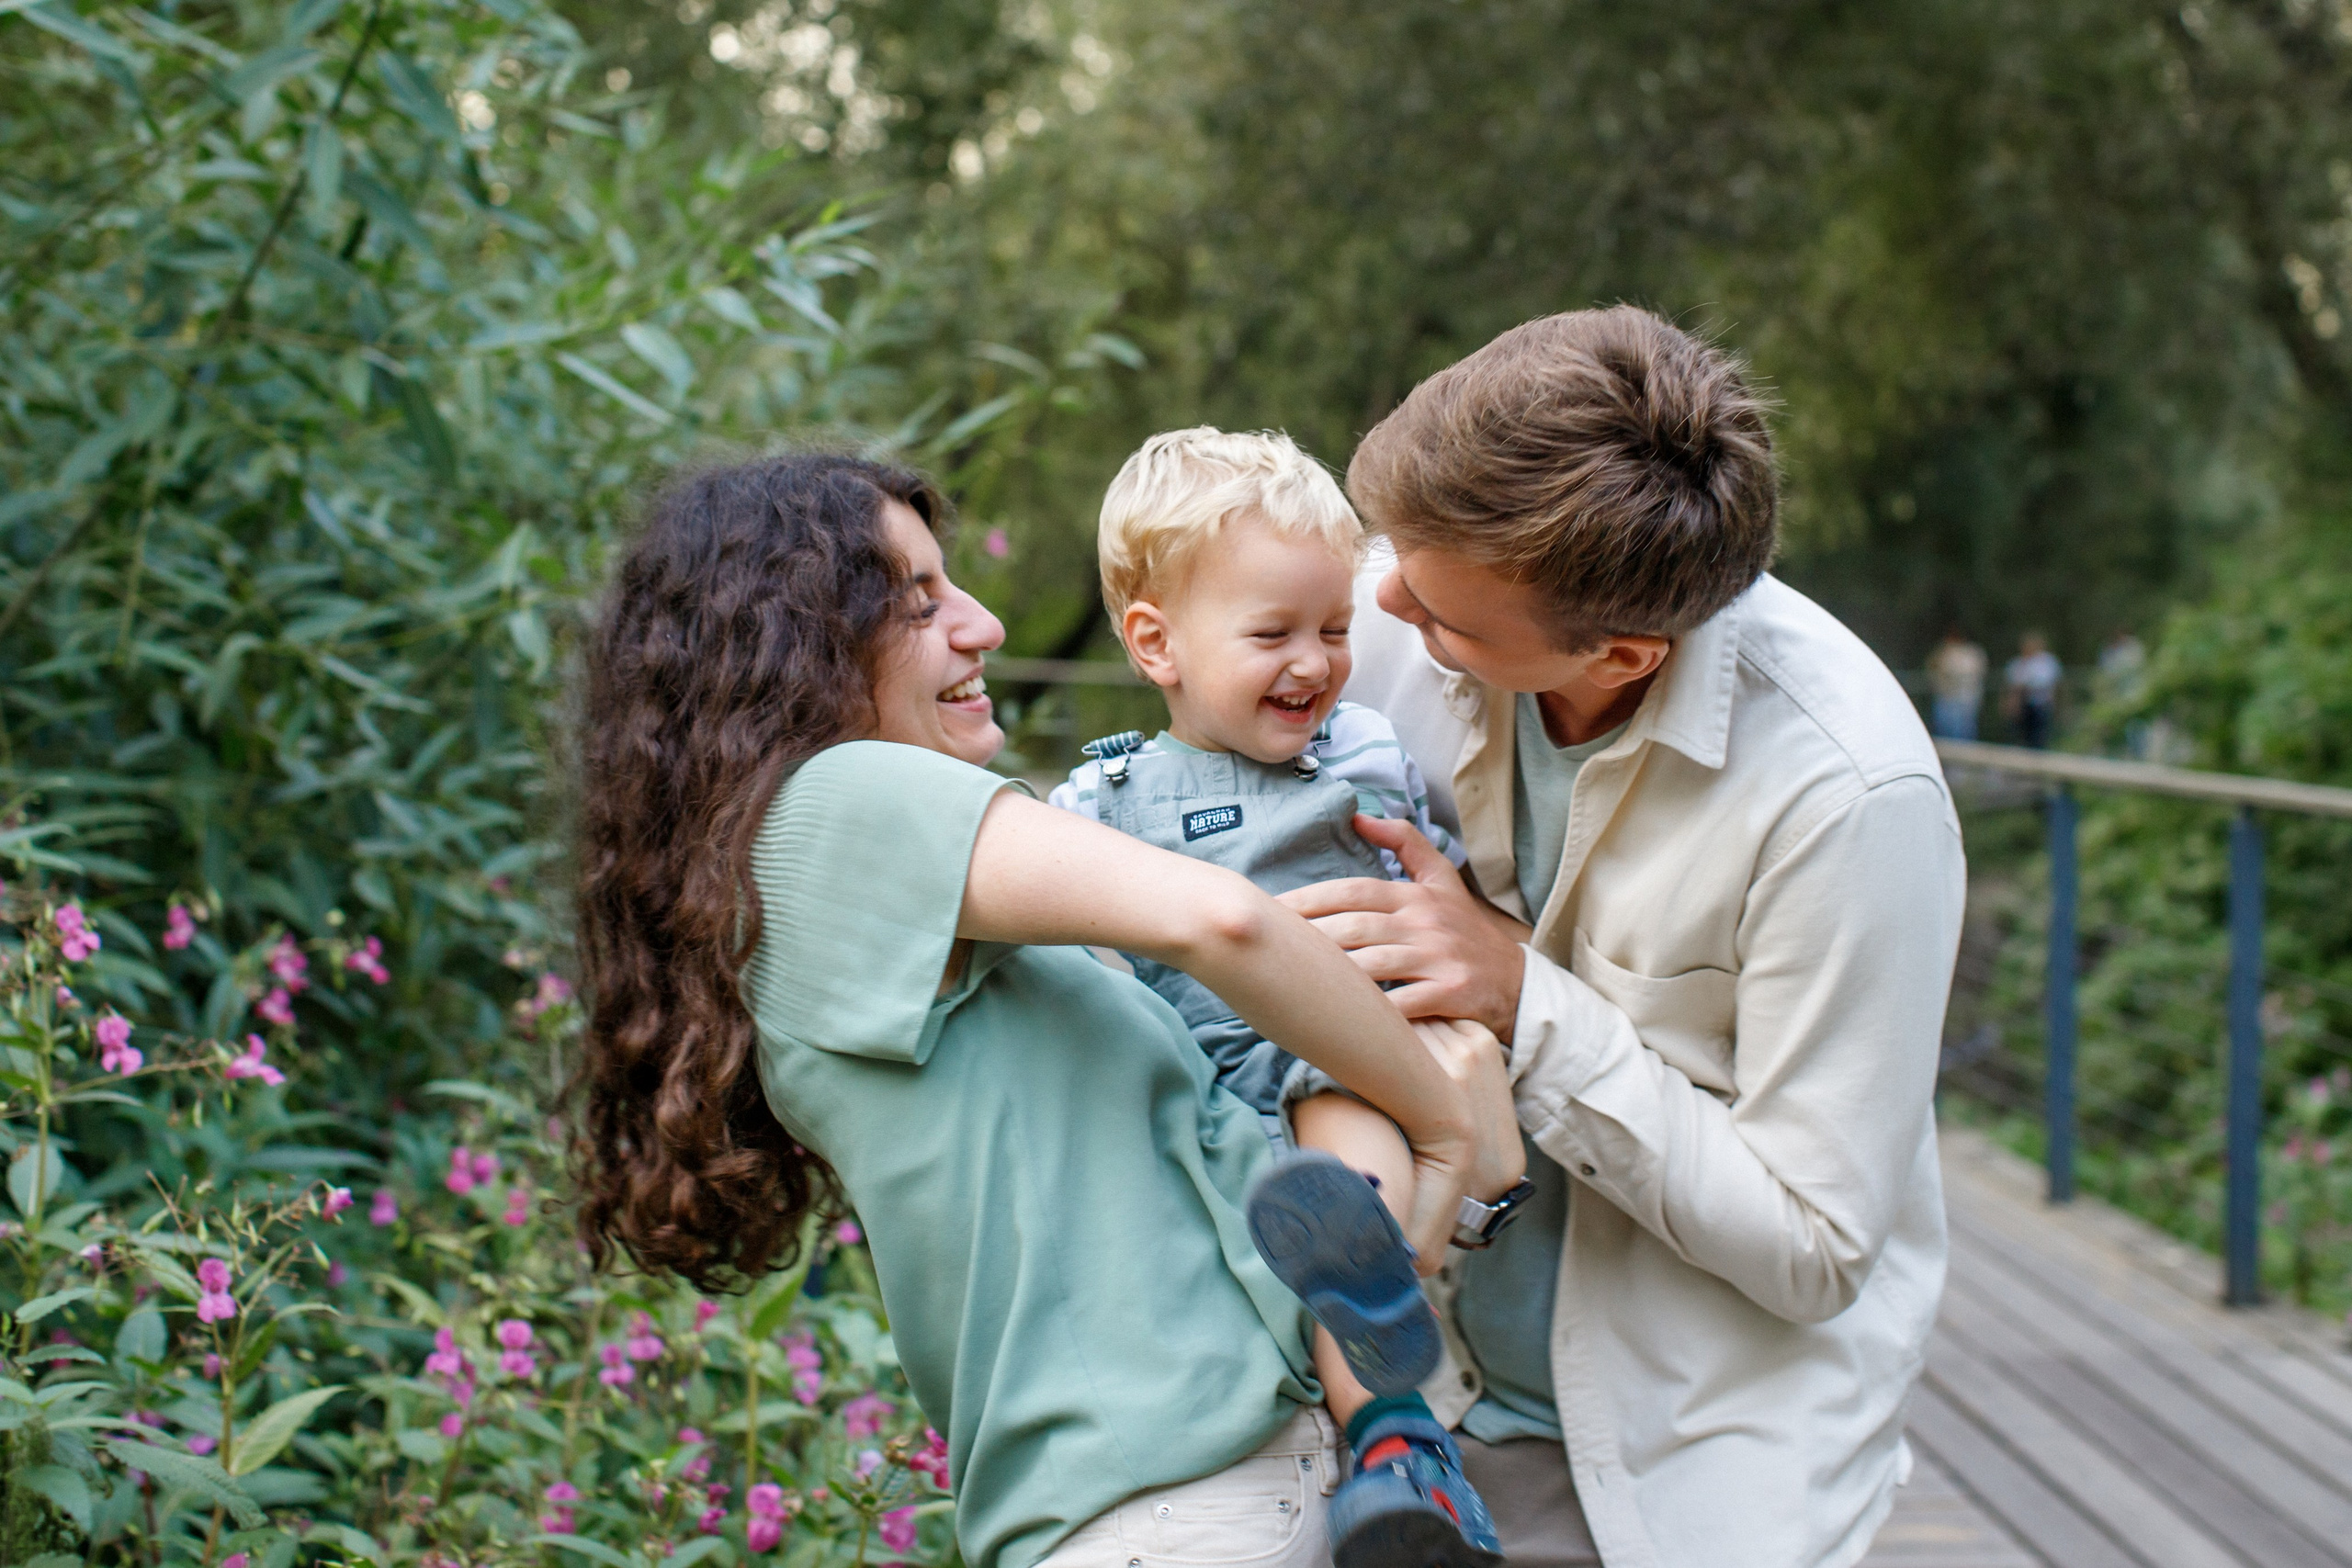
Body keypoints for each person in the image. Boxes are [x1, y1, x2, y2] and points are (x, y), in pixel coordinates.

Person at [567, 455, 1522, 1568]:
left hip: (1204, 1495)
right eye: (919, 603)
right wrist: (1444, 1122)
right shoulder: (837, 798)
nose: (979, 623)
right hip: (1177, 1506)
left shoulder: (823, 875)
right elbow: (1226, 923)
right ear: (794, 646)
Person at [1293, 307, 1967, 1568]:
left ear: (1624, 650)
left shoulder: (1848, 793)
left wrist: (1522, 998)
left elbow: (1819, 1244)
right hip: (1396, 1413)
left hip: (1671, 1468)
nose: (1381, 604)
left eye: (1439, 617)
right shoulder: (1415, 586)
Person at [1049, 427, 1524, 1565]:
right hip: (1200, 1089)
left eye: (1332, 630)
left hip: (1348, 1061)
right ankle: (1385, 1449)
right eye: (1272, 634)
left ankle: (1397, 1449)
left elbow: (1460, 887)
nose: (1313, 662)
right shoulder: (1104, 793)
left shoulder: (1365, 753)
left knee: (1342, 1158)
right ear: (1154, 642)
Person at [1926, 626, 1987, 740]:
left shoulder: (1971, 654)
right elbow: (1933, 669)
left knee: (1963, 734)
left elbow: (1971, 674)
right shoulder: (1943, 652)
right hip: (1946, 699)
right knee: (1944, 733)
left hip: (1965, 701)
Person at [2003, 631, 2062, 749]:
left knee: (2039, 735)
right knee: (2022, 735)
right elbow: (2012, 686)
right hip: (2023, 705)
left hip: (2041, 704)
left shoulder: (2047, 662)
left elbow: (2048, 683)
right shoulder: (2017, 663)